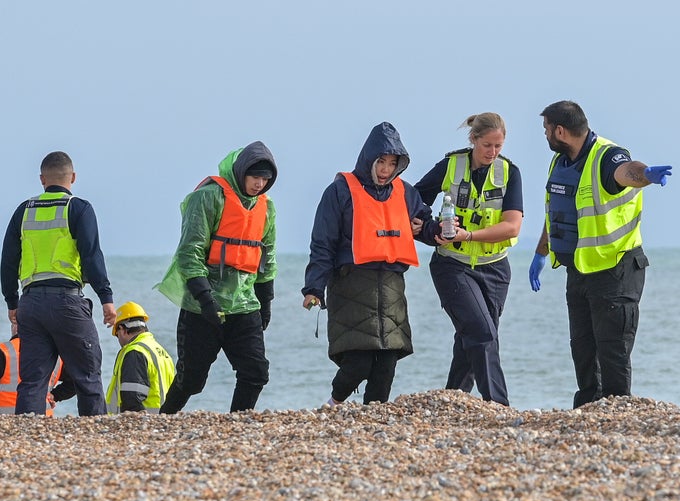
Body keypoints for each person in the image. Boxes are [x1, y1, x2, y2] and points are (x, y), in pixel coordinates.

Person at [529, 100, 672, 409]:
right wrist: (541, 252)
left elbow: (626, 172)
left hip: (616, 269)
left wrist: (646, 173)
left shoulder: (606, 157)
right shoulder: (561, 163)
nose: (544, 136)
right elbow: (555, 209)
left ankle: (618, 413)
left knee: (612, 349)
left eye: (546, 130)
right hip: (579, 270)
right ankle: (586, 412)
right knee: (582, 348)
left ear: (560, 131)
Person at [302, 121, 439, 406]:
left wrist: (438, 231)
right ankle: (334, 403)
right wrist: (314, 288)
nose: (386, 170)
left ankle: (373, 420)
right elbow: (322, 244)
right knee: (359, 362)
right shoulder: (339, 191)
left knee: (387, 361)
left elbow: (424, 225)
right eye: (381, 162)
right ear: (369, 160)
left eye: (392, 164)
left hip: (391, 288)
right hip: (351, 284)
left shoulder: (406, 193)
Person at [157, 141, 278, 413]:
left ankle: (237, 424)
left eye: (265, 179)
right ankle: (164, 420)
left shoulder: (266, 208)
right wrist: (204, 297)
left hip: (245, 305)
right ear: (241, 171)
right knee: (192, 380)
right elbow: (190, 251)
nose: (259, 184)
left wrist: (266, 300)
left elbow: (267, 257)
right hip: (202, 307)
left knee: (256, 372)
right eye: (255, 177)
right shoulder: (208, 197)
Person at [413, 112, 523, 406]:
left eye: (499, 146)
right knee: (482, 332)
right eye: (487, 145)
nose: (493, 152)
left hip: (496, 270)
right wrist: (427, 227)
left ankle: (453, 401)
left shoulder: (510, 172)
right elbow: (411, 199)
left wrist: (469, 236)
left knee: (471, 339)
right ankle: (499, 406)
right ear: (473, 140)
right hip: (452, 267)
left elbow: (512, 226)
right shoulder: (451, 165)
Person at [0, 151, 116, 416]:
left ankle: (27, 438)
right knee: (87, 375)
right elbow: (91, 256)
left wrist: (12, 302)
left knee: (32, 381)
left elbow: (8, 261)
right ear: (73, 177)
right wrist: (106, 298)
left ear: (42, 179)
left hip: (30, 303)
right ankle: (93, 437)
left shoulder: (23, 211)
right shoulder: (78, 208)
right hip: (67, 301)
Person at [0, 327, 73, 416]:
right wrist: (55, 395)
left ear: (16, 326)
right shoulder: (55, 354)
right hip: (44, 425)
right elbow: (76, 381)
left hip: (7, 423)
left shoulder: (3, 352)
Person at [106, 301, 176, 413]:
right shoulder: (162, 352)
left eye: (117, 334)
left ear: (122, 329)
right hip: (164, 422)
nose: (118, 339)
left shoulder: (135, 352)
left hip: (144, 426)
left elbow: (131, 400)